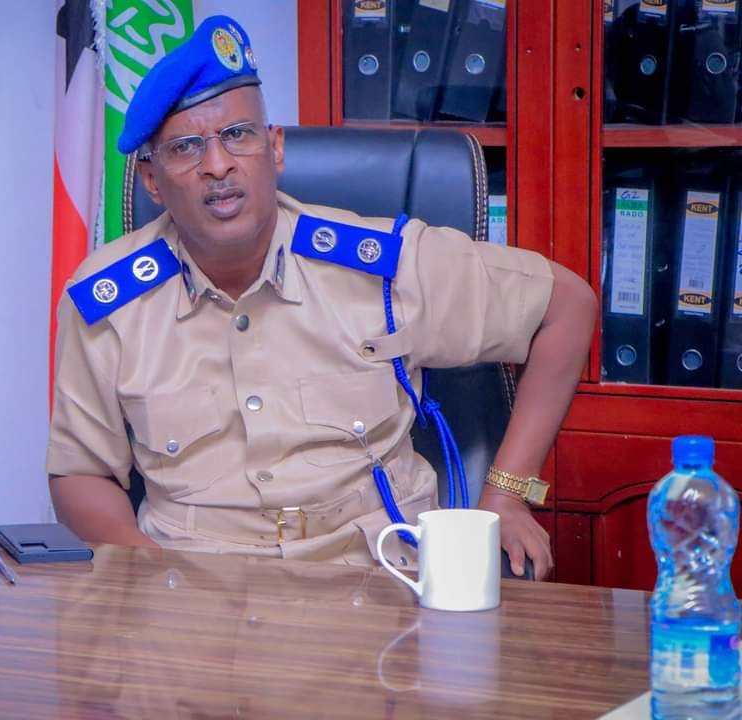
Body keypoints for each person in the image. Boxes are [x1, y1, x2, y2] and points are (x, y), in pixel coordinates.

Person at [46, 15, 597, 580]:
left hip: (379, 580)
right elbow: (81, 472)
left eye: (238, 135)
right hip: (196, 586)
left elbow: (567, 308)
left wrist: (506, 493)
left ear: (275, 148)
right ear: (152, 181)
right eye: (186, 148)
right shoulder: (110, 301)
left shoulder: (381, 266)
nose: (218, 165)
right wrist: (151, 579)